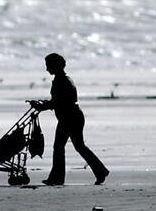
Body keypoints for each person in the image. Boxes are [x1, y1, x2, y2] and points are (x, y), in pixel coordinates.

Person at [29, 53, 109, 186]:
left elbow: (58, 102)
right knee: (77, 146)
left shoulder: (62, 81)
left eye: (48, 66)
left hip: (70, 118)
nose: (47, 69)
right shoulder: (64, 79)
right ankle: (100, 171)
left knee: (60, 147)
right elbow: (57, 101)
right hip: (72, 117)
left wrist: (41, 106)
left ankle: (57, 178)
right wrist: (42, 104)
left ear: (56, 66)